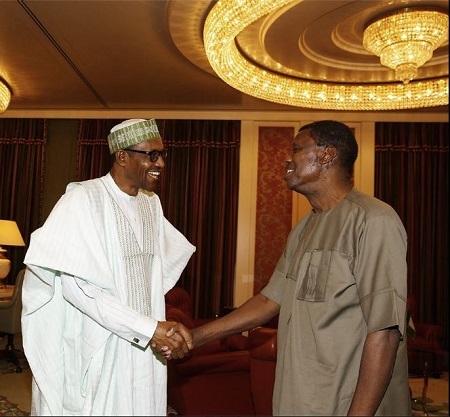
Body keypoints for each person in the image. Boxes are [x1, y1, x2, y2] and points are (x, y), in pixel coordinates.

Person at [166, 120, 410, 415]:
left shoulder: (373, 220)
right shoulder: (304, 227)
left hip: (346, 402)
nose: (287, 159)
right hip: (299, 397)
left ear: (326, 155)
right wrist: (196, 336)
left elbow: (385, 330)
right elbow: (270, 300)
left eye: (296, 149)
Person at [21, 119, 196, 416]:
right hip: (100, 343)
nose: (161, 163)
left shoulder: (151, 204)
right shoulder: (82, 199)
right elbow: (79, 290)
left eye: (163, 154)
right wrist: (148, 328)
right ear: (122, 156)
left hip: (146, 346)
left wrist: (155, 329)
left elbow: (153, 278)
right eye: (151, 155)